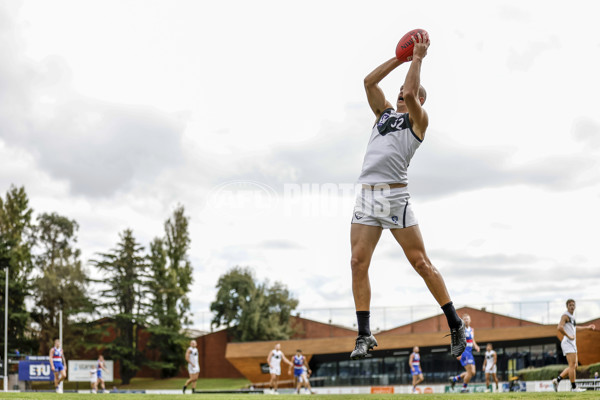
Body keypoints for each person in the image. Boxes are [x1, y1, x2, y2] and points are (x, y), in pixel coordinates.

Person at [349, 31, 466, 361]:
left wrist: (417, 59)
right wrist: (399, 59)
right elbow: (369, 82)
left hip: (395, 198)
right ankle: (364, 334)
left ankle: (457, 324)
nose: (401, 96)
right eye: (398, 94)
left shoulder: (418, 120)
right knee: (358, 262)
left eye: (406, 95)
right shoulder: (383, 114)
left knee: (421, 263)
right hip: (367, 198)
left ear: (418, 102)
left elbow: (413, 91)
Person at [552, 299, 596, 392]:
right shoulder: (565, 315)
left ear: (575, 306)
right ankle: (574, 387)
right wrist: (568, 336)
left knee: (574, 366)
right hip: (568, 342)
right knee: (572, 365)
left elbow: (574, 328)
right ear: (567, 306)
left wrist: (587, 327)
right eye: (570, 305)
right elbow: (559, 327)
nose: (572, 306)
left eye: (573, 305)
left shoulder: (572, 317)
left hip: (572, 343)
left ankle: (557, 380)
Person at [449, 314, 480, 392]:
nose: (466, 320)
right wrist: (458, 353)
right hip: (464, 352)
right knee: (469, 372)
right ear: (462, 320)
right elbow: (456, 341)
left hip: (470, 352)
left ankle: (455, 379)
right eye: (464, 319)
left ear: (470, 320)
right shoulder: (460, 329)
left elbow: (472, 340)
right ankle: (463, 388)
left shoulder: (472, 329)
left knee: (473, 372)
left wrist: (476, 346)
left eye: (467, 319)